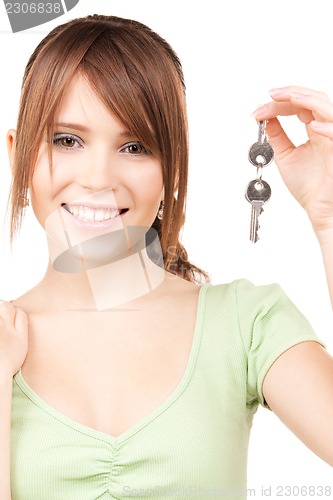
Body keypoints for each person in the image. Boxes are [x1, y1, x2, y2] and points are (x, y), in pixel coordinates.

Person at [0, 13, 332, 500]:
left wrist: (329, 216)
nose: (98, 177)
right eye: (66, 140)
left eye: (134, 146)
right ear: (18, 155)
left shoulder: (247, 323)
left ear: (173, 168)